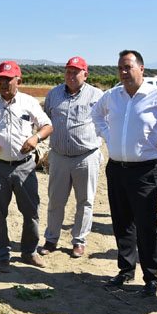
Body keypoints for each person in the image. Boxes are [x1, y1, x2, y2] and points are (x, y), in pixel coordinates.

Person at [92, 50, 157, 297]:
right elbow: (96, 115)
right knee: (122, 222)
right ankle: (125, 270)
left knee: (146, 225)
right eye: (120, 67)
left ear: (142, 68)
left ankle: (151, 277)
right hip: (117, 168)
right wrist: (107, 135)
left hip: (145, 170)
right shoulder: (113, 96)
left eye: (128, 67)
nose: (123, 72)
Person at [0, 61, 53, 272]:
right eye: (0, 79)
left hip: (25, 167)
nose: (3, 83)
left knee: (31, 211)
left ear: (18, 80)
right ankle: (2, 254)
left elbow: (47, 126)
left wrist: (35, 138)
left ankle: (29, 252)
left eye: (8, 79)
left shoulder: (29, 102)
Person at [40, 56, 103, 258]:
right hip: (58, 156)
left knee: (85, 201)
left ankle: (79, 241)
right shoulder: (54, 94)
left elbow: (106, 121)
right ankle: (51, 239)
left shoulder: (96, 95)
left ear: (86, 74)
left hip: (86, 156)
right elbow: (46, 118)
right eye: (68, 71)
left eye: (76, 72)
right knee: (56, 200)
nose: (71, 75)